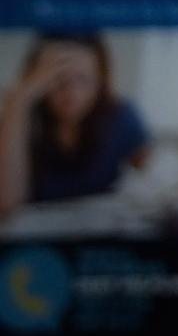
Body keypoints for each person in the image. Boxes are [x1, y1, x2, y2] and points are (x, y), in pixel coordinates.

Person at [1, 33, 147, 215]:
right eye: (58, 78)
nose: (71, 92)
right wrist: (19, 102)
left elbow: (155, 175)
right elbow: (6, 205)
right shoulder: (20, 120)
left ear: (100, 81)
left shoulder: (121, 117)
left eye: (83, 79)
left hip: (101, 227)